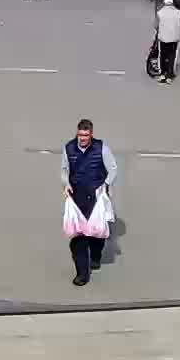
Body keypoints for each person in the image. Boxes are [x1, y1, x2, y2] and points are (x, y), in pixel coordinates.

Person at [61, 118, 119, 286]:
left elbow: (113, 168)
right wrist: (66, 184)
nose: (83, 139)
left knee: (97, 234)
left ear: (91, 134)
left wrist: (106, 185)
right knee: (78, 238)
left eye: (86, 135)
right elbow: (65, 169)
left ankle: (95, 256)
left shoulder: (102, 148)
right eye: (80, 135)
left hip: (97, 197)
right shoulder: (68, 148)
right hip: (76, 197)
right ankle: (82, 274)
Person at [154, 0, 180, 83]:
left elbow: (155, 26)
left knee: (162, 55)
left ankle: (163, 74)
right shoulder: (178, 12)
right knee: (172, 56)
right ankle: (169, 76)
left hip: (163, 38)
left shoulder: (160, 13)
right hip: (174, 38)